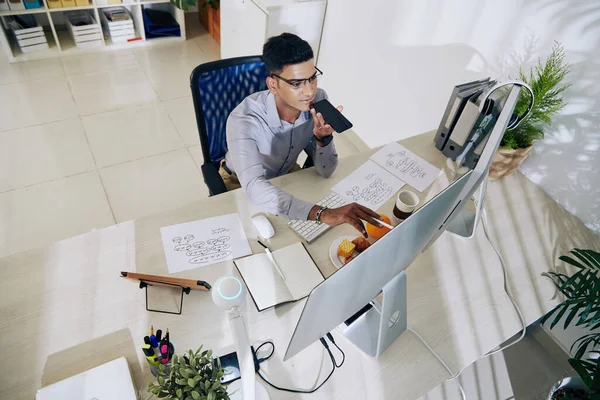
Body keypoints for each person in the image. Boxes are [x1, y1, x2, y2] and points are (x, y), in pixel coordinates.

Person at [222, 33, 381, 236]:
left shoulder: (319, 100)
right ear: (273, 85)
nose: (309, 91)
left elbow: (327, 172)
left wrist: (323, 139)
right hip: (238, 181)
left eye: (312, 78)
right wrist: (323, 214)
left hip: (287, 174)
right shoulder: (243, 119)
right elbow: (254, 188)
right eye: (297, 83)